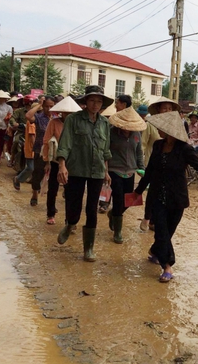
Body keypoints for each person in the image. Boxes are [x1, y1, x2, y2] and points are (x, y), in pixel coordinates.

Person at [134, 111, 198, 282]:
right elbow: (150, 172)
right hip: (157, 197)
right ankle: (167, 266)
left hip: (177, 198)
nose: (159, 130)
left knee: (167, 233)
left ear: (171, 131)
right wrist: (138, 191)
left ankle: (155, 251)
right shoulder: (158, 145)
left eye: (162, 128)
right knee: (161, 231)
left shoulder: (185, 150)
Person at [56, 85, 113, 262]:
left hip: (97, 170)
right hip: (77, 167)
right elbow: (65, 143)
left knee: (92, 209)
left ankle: (88, 249)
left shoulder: (104, 123)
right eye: (92, 100)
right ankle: (70, 224)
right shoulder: (73, 119)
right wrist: (62, 166)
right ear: (85, 102)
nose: (95, 104)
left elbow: (105, 149)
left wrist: (106, 170)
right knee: (74, 203)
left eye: (99, 101)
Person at [139, 97, 181, 231]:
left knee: (163, 194)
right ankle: (147, 218)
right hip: (153, 163)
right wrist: (140, 163)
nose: (167, 111)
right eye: (165, 108)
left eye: (170, 108)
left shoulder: (176, 126)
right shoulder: (150, 125)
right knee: (152, 192)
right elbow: (143, 145)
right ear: (158, 110)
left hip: (169, 165)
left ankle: (155, 220)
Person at [106, 107, 146, 243]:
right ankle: (117, 232)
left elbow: (139, 152)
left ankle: (114, 214)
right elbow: (105, 152)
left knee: (129, 200)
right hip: (114, 170)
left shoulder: (136, 135)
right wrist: (105, 171)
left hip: (130, 171)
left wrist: (141, 168)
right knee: (118, 199)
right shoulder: (111, 133)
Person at [43, 96, 82, 225]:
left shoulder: (78, 124)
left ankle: (68, 220)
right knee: (53, 189)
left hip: (73, 162)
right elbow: (46, 141)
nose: (68, 114)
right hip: (55, 161)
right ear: (62, 112)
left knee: (70, 192)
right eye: (66, 112)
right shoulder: (54, 123)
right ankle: (50, 214)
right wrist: (47, 162)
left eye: (70, 113)